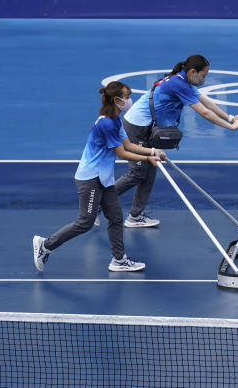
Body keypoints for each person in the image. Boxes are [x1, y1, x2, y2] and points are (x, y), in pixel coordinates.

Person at [33, 82, 166, 272]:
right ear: (117, 100)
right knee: (86, 221)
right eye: (127, 97)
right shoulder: (107, 124)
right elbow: (121, 153)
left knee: (116, 217)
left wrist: (153, 151)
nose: (129, 100)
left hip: (103, 178)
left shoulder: (115, 120)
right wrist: (147, 158)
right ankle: (46, 245)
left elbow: (129, 145)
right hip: (90, 179)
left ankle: (119, 260)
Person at [114, 54, 238, 227]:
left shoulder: (183, 81)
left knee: (149, 172)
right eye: (204, 75)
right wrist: (230, 127)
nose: (205, 79)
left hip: (148, 129)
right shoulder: (178, 84)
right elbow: (204, 113)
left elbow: (208, 104)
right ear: (192, 72)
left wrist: (230, 118)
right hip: (135, 128)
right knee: (137, 173)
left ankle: (135, 216)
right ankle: (97, 203)